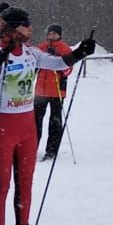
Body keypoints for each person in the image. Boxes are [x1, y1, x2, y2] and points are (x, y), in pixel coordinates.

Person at [0, 5, 95, 225]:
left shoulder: (33, 52)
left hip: (27, 126)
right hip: (4, 126)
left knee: (26, 183)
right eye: (26, 25)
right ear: (13, 28)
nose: (31, 29)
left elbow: (58, 63)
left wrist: (79, 53)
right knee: (2, 184)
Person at [33, 24, 72, 162]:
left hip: (57, 91)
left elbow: (68, 69)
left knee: (55, 122)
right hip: (40, 92)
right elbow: (33, 64)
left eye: (54, 34)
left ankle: (51, 150)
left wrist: (59, 63)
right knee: (35, 121)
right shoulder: (41, 47)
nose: (51, 36)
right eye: (50, 33)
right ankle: (32, 148)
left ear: (59, 35)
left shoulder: (64, 48)